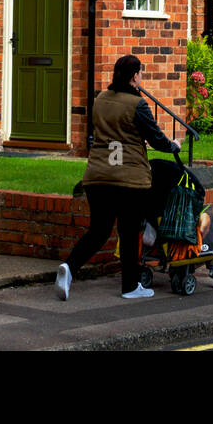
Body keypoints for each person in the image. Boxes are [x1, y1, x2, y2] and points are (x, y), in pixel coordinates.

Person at [56, 54, 179, 300]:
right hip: (128, 178)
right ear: (135, 76)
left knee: (98, 231)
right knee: (129, 231)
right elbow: (156, 138)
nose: (141, 77)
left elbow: (111, 130)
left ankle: (69, 268)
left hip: (97, 176)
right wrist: (173, 145)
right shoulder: (137, 104)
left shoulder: (100, 99)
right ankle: (130, 286)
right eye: (141, 73)